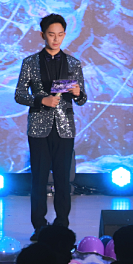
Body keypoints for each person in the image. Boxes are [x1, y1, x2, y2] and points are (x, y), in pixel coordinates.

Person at [14, 13, 88, 240]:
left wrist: (78, 93)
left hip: (65, 129)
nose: (56, 39)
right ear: (43, 35)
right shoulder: (30, 63)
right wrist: (41, 100)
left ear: (65, 35)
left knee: (63, 180)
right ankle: (39, 226)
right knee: (38, 179)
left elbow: (82, 99)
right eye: (51, 34)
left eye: (60, 35)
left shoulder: (73, 63)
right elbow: (19, 95)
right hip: (38, 129)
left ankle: (62, 224)